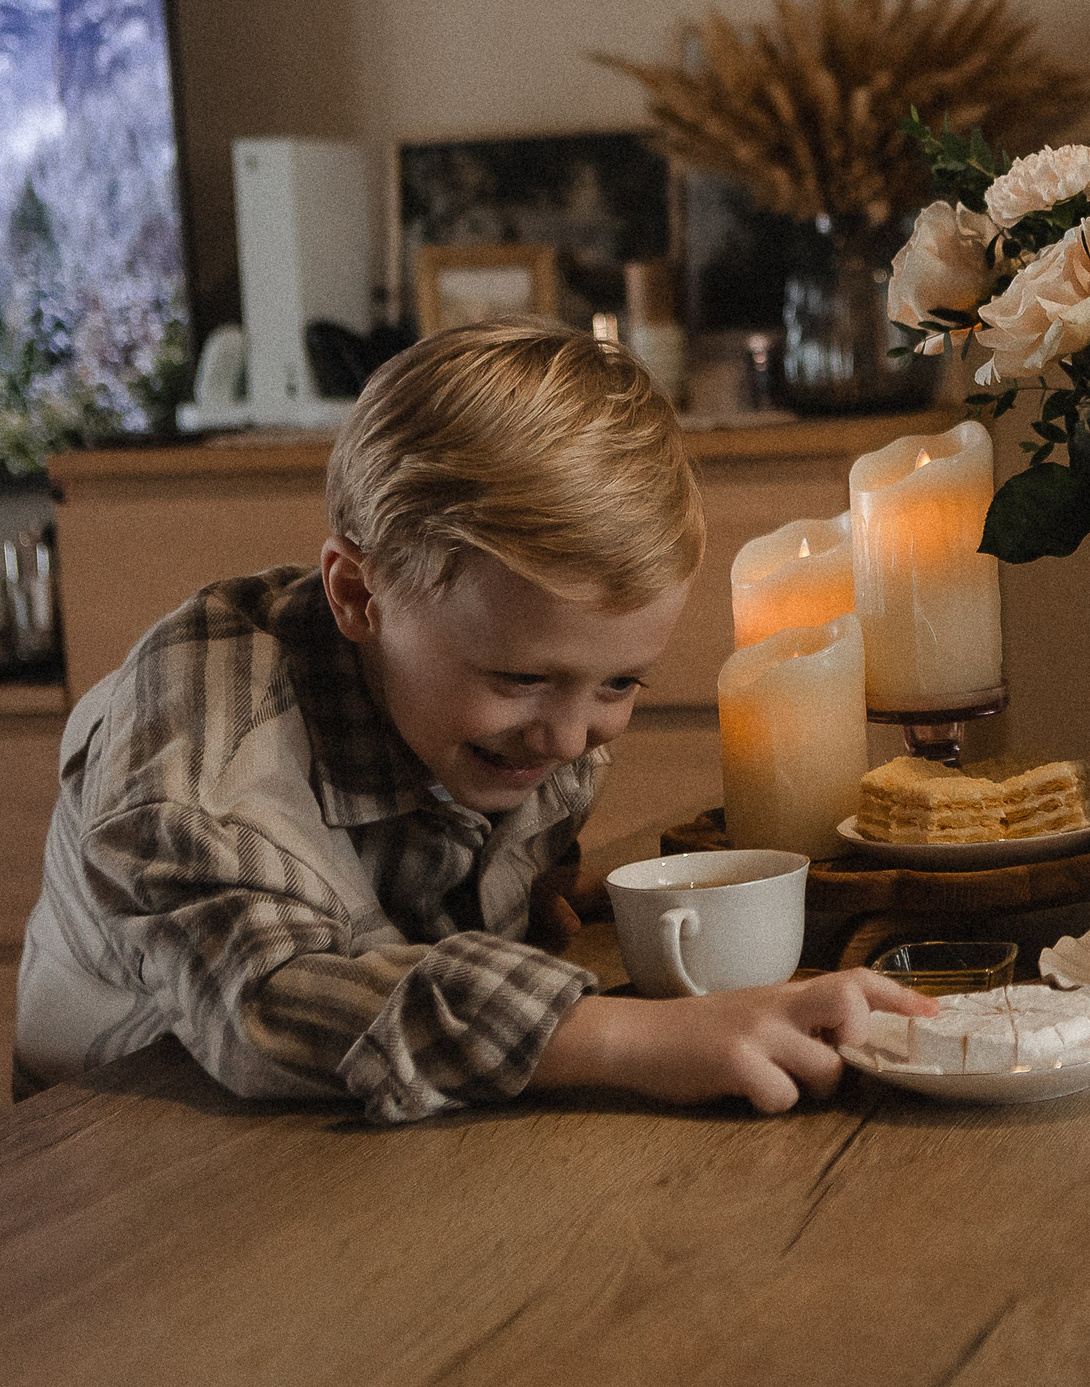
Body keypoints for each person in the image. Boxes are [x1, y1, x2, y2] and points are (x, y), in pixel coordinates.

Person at [15, 320, 932, 1121]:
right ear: (356, 591)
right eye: (521, 678)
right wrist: (636, 1039)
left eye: (620, 685)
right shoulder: (198, 737)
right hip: (138, 1166)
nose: (572, 739)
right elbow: (272, 1000)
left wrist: (524, 890)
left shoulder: (511, 708)